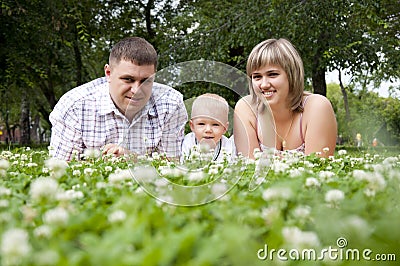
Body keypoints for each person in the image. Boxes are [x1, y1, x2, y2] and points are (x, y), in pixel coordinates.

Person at [49, 37, 188, 161]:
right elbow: (60, 171)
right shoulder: (74, 106)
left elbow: (171, 168)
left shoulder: (171, 103)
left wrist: (132, 160)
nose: (136, 90)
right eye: (128, 79)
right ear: (108, 73)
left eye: (146, 81)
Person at [234, 38, 337, 159]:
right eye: (257, 77)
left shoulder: (317, 107)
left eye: (272, 74)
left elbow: (317, 169)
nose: (264, 84)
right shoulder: (245, 108)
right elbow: (249, 170)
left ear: (291, 74)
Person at [181, 93, 236, 162]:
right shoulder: (188, 142)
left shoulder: (228, 146)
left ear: (224, 128)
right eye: (201, 124)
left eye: (215, 124)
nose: (208, 130)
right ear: (192, 126)